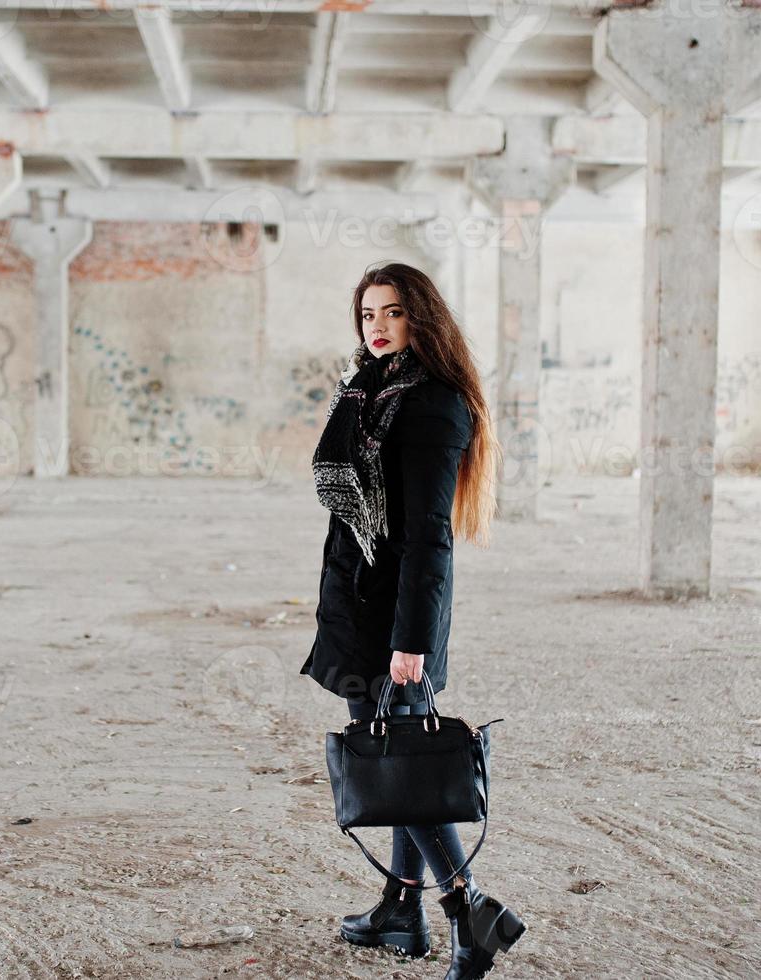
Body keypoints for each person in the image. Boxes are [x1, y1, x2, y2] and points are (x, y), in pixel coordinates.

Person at [299, 261, 525, 979]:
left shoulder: (429, 405)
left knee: (400, 767)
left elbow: (429, 533)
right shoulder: (367, 392)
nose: (377, 326)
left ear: (420, 317)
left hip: (393, 618)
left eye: (392, 312)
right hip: (360, 604)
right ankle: (401, 908)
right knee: (393, 756)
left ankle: (468, 911)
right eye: (367, 313)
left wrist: (410, 644)